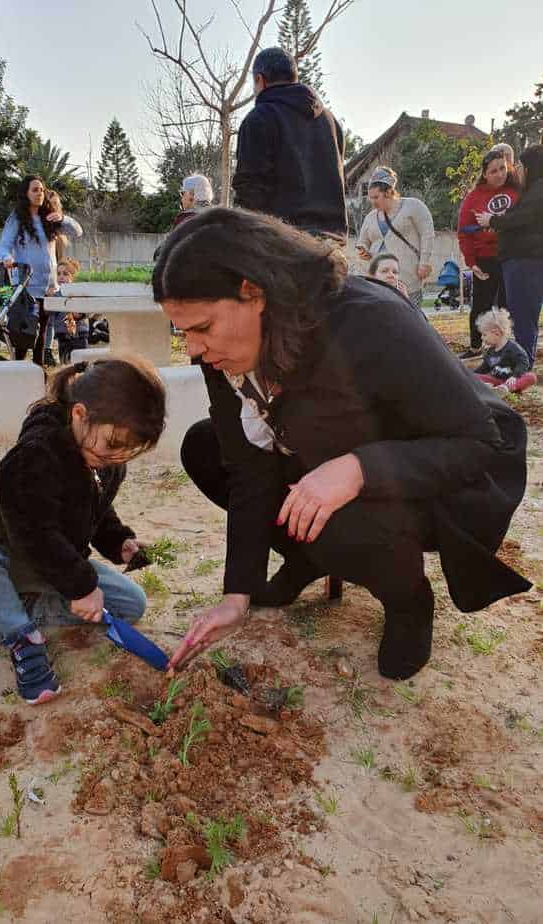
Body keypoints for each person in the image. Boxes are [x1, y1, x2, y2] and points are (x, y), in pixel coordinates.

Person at [153, 208, 530, 681]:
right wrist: (237, 594)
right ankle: (307, 557)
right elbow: (248, 468)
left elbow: (478, 446)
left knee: (338, 505)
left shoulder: (367, 321)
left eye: (202, 328)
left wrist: (357, 469)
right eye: (182, 332)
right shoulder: (220, 355)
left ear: (254, 292)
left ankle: (407, 598)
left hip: (442, 469)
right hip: (330, 453)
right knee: (206, 448)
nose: (192, 349)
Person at [0, 358, 166, 705]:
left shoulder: (104, 461)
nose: (117, 455)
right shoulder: (35, 455)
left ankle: (3, 609)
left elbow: (97, 508)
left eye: (129, 449)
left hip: (58, 564)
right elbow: (35, 533)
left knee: (130, 604)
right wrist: (81, 587)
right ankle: (21, 637)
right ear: (79, 414)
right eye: (112, 444)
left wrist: (118, 540)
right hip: (8, 555)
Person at [232, 46, 347, 241]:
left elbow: (250, 190)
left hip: (284, 247)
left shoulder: (260, 118)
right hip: (332, 246)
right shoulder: (331, 122)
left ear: (259, 80)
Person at [0, 176, 82, 365]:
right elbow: (3, 246)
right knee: (24, 332)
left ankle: (38, 370)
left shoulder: (49, 217)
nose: (39, 194)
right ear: (25, 193)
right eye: (34, 190)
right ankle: (17, 368)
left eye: (42, 190)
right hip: (26, 286)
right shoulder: (16, 218)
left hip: (48, 287)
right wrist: (7, 258)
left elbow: (77, 231)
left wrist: (62, 217)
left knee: (43, 333)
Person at [476, 144, 543, 366]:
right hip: (519, 261)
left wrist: (492, 220)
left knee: (524, 316)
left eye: (522, 166)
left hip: (526, 261)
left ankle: (523, 366)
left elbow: (523, 218)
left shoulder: (539, 189)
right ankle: (518, 361)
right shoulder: (532, 190)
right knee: (519, 314)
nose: (518, 171)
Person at [456, 150, 520, 359]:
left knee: (508, 304)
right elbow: (464, 232)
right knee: (481, 306)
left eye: (503, 168)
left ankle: (506, 347)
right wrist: (471, 261)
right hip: (486, 259)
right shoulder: (473, 198)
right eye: (493, 171)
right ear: (484, 174)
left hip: (513, 256)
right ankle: (476, 346)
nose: (500, 174)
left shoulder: (518, 190)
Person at [357, 166, 435, 309]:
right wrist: (363, 250)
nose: (372, 202)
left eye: (376, 197)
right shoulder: (370, 217)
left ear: (388, 192)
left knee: (410, 316)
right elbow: (362, 241)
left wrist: (424, 262)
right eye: (370, 198)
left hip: (407, 276)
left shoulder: (413, 206)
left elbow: (427, 234)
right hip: (378, 279)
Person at [473, 309, 536, 395]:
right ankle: (490, 388)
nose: (482, 338)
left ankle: (505, 389)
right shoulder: (490, 351)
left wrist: (515, 376)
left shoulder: (512, 348)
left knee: (531, 377)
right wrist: (471, 374)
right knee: (474, 377)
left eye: (484, 335)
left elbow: (523, 362)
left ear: (497, 333)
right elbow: (485, 367)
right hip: (495, 379)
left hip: (512, 380)